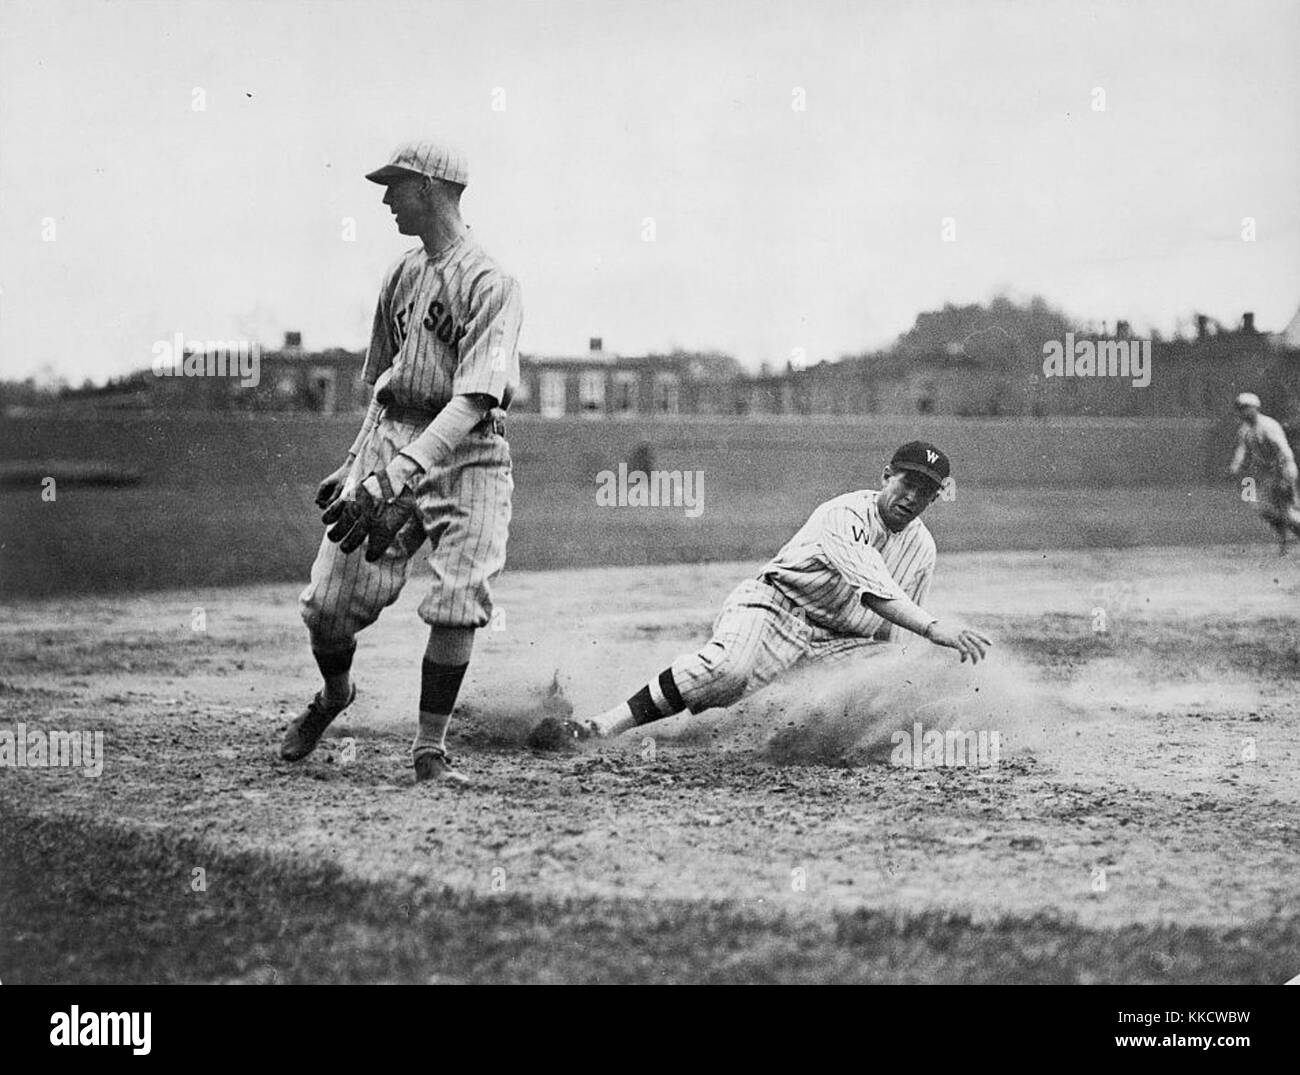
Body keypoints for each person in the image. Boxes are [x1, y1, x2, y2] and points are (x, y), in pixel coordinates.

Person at [282, 139, 523, 786]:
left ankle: (429, 749)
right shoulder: (401, 274)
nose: (386, 198)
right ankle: (335, 695)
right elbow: (384, 382)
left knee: (458, 597)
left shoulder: (492, 285)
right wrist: (357, 459)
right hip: (394, 435)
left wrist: (399, 474)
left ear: (433, 188)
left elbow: (474, 398)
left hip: (469, 450)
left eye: (396, 185)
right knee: (326, 607)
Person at [535, 441, 991, 745]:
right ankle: (599, 726)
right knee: (728, 671)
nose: (913, 496)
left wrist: (890, 683)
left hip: (836, 642)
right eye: (908, 482)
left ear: (934, 500)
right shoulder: (845, 514)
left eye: (926, 490)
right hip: (775, 607)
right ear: (887, 476)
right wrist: (934, 628)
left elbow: (892, 635)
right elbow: (874, 595)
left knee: (890, 687)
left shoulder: (922, 548)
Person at [1227, 392, 1300, 555]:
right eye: (1240, 409)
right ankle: (1284, 546)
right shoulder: (1246, 429)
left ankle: (1284, 546)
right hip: (1270, 474)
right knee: (1265, 509)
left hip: (1283, 470)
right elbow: (1242, 449)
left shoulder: (1268, 426)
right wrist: (1235, 466)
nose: (1241, 412)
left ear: (1254, 408)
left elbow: (1284, 451)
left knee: (1287, 512)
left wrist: (1286, 475)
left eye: (1245, 408)